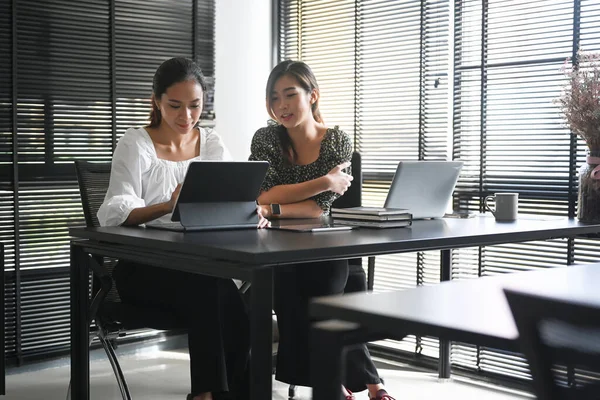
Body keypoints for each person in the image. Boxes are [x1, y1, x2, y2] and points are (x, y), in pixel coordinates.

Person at [98, 57, 267, 400]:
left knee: (233, 303)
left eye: (195, 107)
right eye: (175, 106)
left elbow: (228, 197)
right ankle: (210, 396)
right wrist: (167, 205)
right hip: (142, 270)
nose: (186, 116)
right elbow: (114, 213)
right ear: (155, 101)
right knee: (214, 292)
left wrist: (249, 211)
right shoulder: (136, 143)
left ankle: (215, 395)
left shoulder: (212, 144)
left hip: (197, 268)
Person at [249, 60, 395, 400]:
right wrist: (324, 181)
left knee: (321, 284)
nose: (281, 105)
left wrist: (274, 208)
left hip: (325, 247)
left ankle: (333, 384)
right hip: (275, 247)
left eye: (290, 94)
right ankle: (364, 384)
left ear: (312, 95)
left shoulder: (337, 141)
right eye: (274, 97)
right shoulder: (267, 138)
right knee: (307, 290)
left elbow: (319, 208)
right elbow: (259, 192)